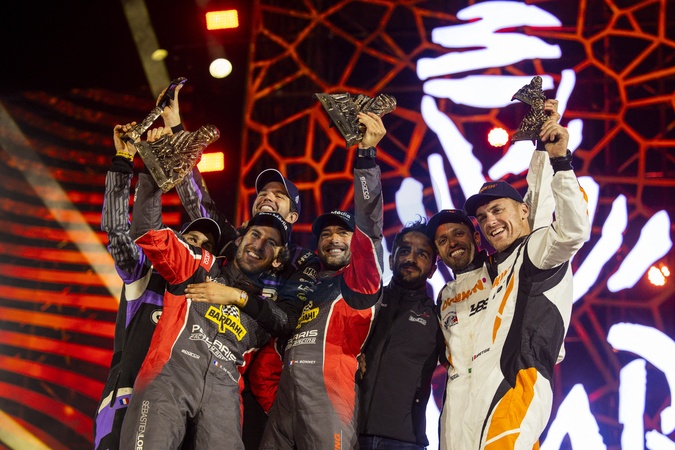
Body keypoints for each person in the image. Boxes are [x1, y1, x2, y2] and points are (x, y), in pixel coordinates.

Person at [435, 113, 590, 449]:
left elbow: (571, 230)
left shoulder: (537, 249)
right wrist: (540, 149)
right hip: (479, 393)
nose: (490, 221)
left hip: (518, 382)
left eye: (498, 210)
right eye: (482, 216)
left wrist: (559, 160)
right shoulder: (500, 266)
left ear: (522, 212)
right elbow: (535, 198)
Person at [257, 111, 385, 450]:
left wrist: (366, 159)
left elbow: (370, 228)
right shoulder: (306, 283)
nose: (332, 239)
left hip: (330, 398)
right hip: (284, 405)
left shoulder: (360, 282)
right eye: (325, 234)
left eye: (342, 233)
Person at [119, 211, 293, 449]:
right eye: (254, 234)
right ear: (239, 240)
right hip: (168, 379)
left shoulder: (265, 313)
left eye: (271, 242)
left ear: (277, 261)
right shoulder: (199, 266)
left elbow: (286, 326)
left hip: (224, 396)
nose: (259, 244)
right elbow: (147, 231)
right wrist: (151, 189)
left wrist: (238, 297)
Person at [94, 123, 221, 450]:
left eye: (205, 246)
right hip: (125, 400)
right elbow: (117, 230)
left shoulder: (207, 304)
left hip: (177, 412)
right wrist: (123, 161)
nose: (197, 247)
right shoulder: (144, 272)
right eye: (191, 238)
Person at [357, 219, 445, 449]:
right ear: (391, 259)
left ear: (432, 269)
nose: (411, 259)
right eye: (404, 251)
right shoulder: (367, 304)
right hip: (348, 433)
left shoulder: (439, 317)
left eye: (422, 254)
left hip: (405, 441)